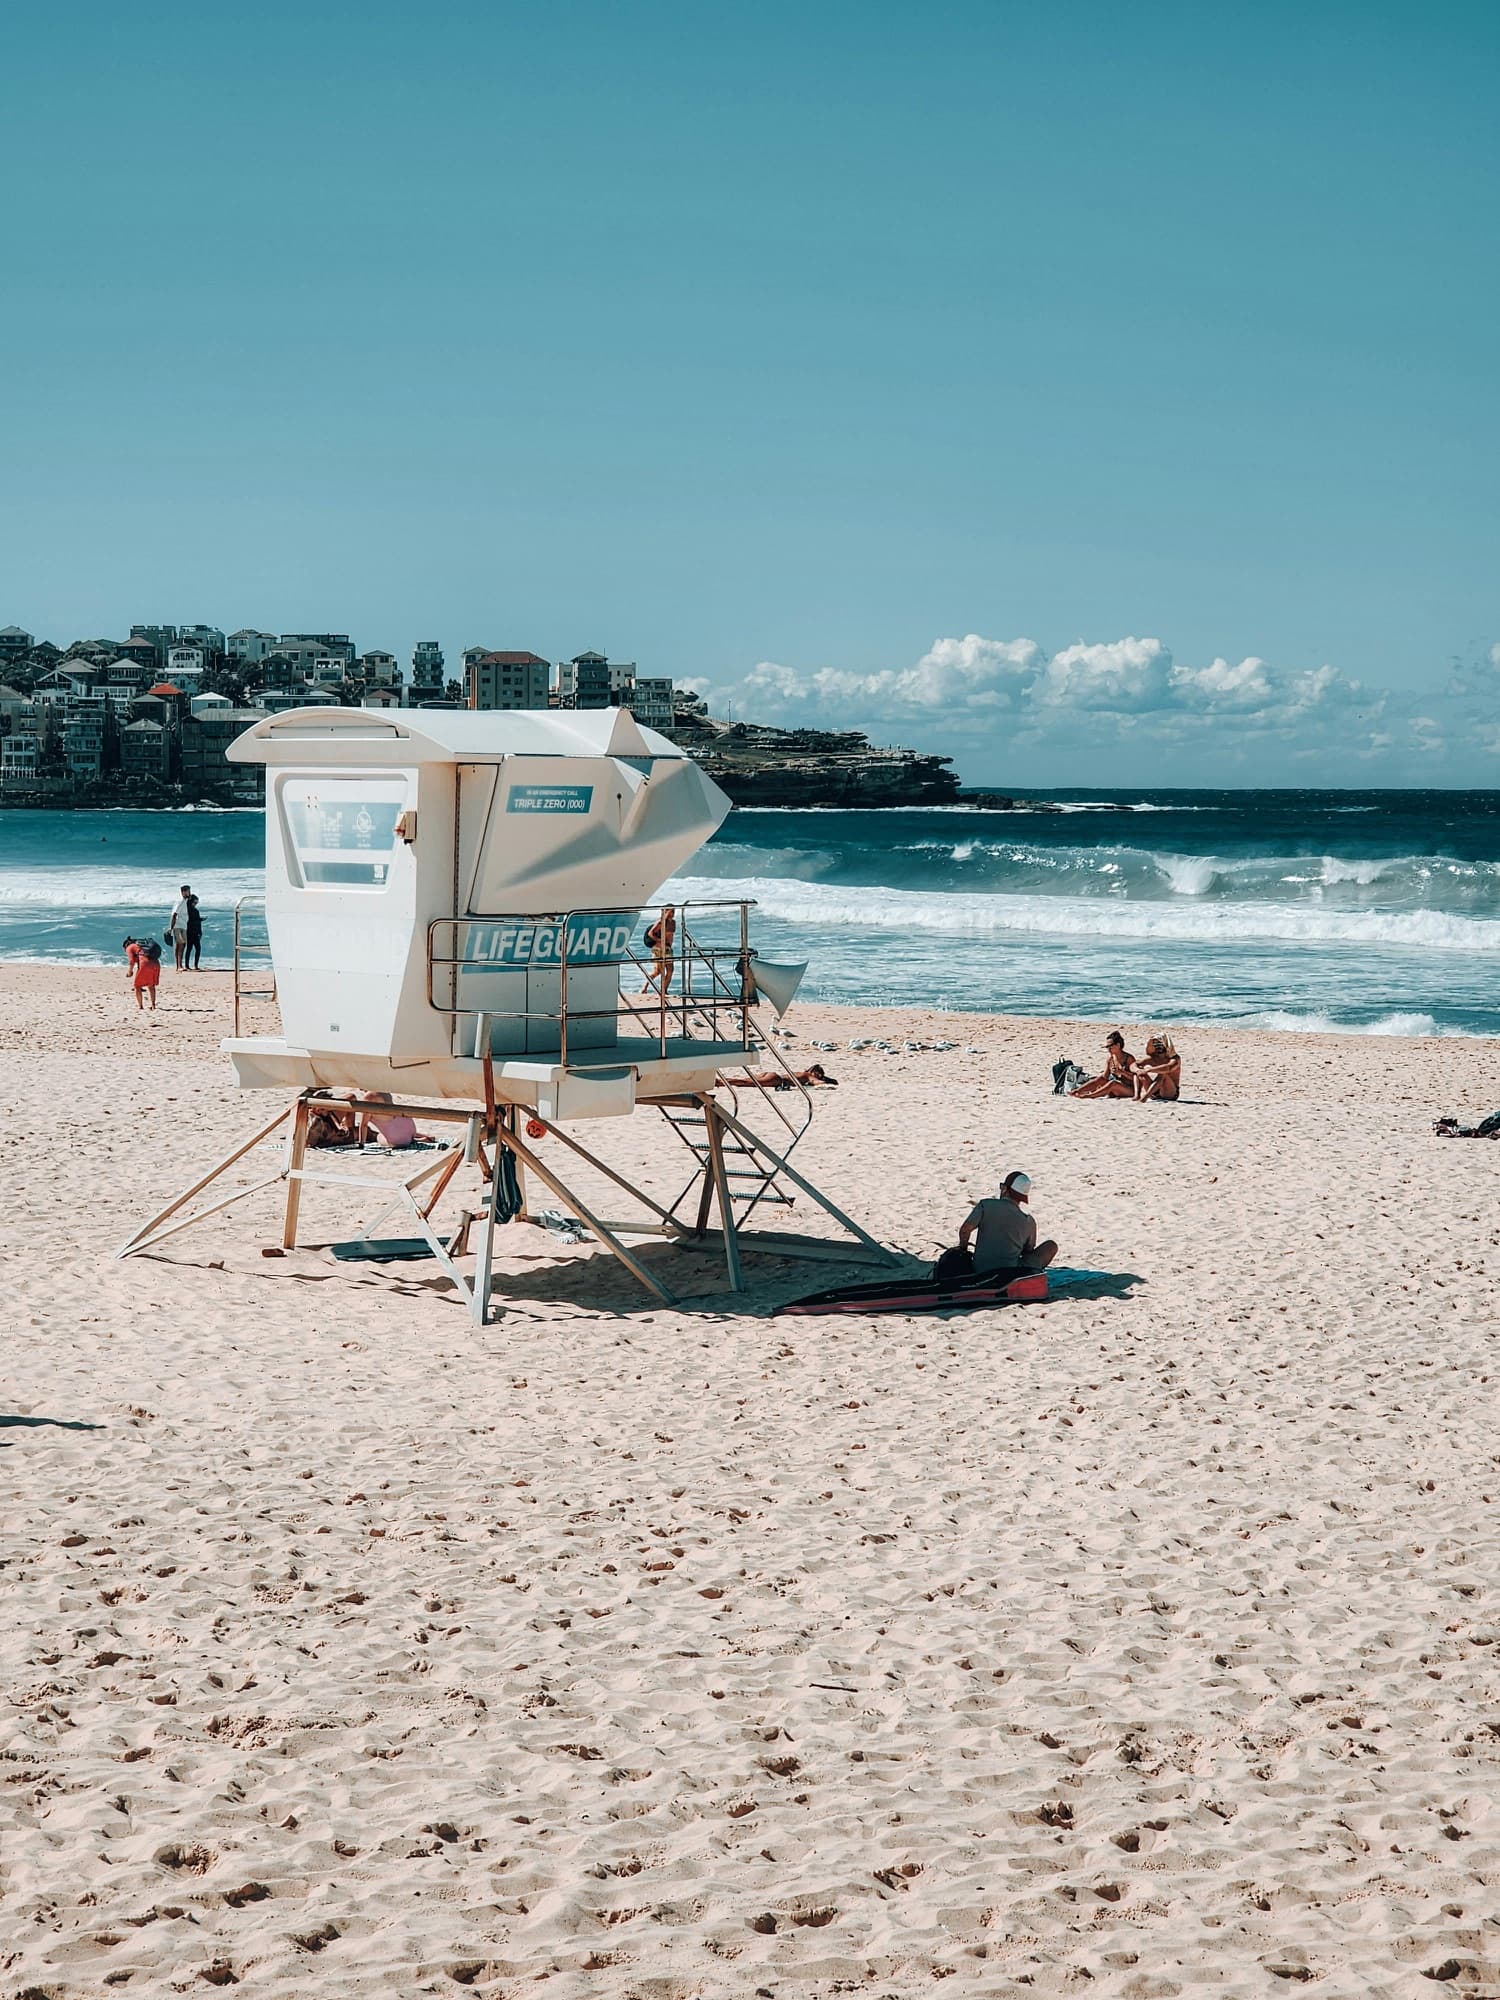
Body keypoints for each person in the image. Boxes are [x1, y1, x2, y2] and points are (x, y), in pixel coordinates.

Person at [958, 1170, 1057, 1274]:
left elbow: (965, 1230)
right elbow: (1027, 1252)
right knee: (1051, 1246)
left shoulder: (986, 1205)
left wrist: (962, 1250)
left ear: (1005, 1189)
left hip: (980, 1269)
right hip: (1010, 1273)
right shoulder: (1028, 1221)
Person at [1072, 1030, 1137, 1099]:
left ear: (1118, 1045)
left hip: (1131, 1089)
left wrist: (1122, 1072)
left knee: (1112, 1083)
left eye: (1110, 1046)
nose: (1108, 1049)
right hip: (1118, 1087)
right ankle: (1078, 1092)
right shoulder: (1110, 1059)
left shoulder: (1129, 1059)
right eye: (1107, 1047)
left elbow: (1137, 1077)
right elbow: (1103, 1078)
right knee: (1100, 1081)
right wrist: (1078, 1090)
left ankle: (1090, 1096)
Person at [642, 904, 677, 997]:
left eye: (673, 911)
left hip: (668, 949)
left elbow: (671, 936)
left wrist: (669, 945)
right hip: (658, 948)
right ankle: (645, 987)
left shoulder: (673, 923)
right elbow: (650, 933)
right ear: (664, 912)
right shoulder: (661, 922)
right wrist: (660, 941)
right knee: (658, 971)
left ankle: (664, 990)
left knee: (670, 970)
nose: (672, 914)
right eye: (670, 912)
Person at [1133, 1034, 1181, 1101]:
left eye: (1159, 1044)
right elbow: (1134, 1064)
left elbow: (1168, 1067)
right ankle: (1137, 1095)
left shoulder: (1175, 1058)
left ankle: (1146, 1097)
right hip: (1155, 1092)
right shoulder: (1153, 1057)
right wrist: (1137, 1070)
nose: (1157, 1047)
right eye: (1155, 1045)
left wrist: (1149, 1070)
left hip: (1169, 1093)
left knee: (1163, 1074)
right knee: (1139, 1072)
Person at [127, 935, 162, 1012]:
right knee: (151, 985)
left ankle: (140, 1006)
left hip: (145, 964)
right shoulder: (143, 945)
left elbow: (131, 961)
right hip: (156, 963)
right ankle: (153, 1005)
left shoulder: (130, 947)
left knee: (137, 986)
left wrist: (130, 971)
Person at [167, 883, 193, 971]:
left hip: (183, 925)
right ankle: (178, 966)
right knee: (179, 945)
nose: (189, 893)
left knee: (183, 945)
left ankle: (180, 965)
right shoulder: (180, 901)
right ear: (183, 892)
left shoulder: (185, 901)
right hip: (178, 926)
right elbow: (174, 914)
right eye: (188, 892)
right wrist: (171, 928)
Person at [183, 892, 203, 971]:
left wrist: (200, 932)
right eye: (195, 902)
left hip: (195, 931)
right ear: (191, 902)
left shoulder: (196, 911)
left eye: (196, 903)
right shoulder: (186, 911)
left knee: (198, 948)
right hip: (189, 932)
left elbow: (198, 922)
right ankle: (187, 965)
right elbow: (187, 921)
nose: (195, 904)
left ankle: (196, 965)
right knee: (189, 948)